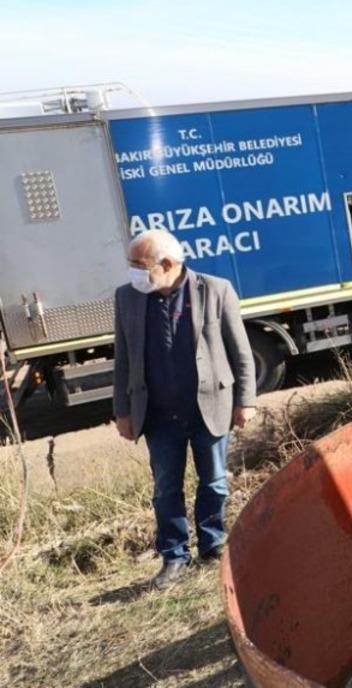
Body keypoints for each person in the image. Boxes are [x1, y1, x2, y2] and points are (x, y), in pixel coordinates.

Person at [112, 229, 257, 589]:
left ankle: (212, 543)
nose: (133, 273)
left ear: (166, 264)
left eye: (138, 265)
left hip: (209, 406)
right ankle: (174, 556)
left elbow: (240, 351)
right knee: (165, 488)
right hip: (158, 413)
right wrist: (123, 411)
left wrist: (246, 401)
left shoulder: (215, 289)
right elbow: (123, 358)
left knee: (215, 481)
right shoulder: (127, 298)